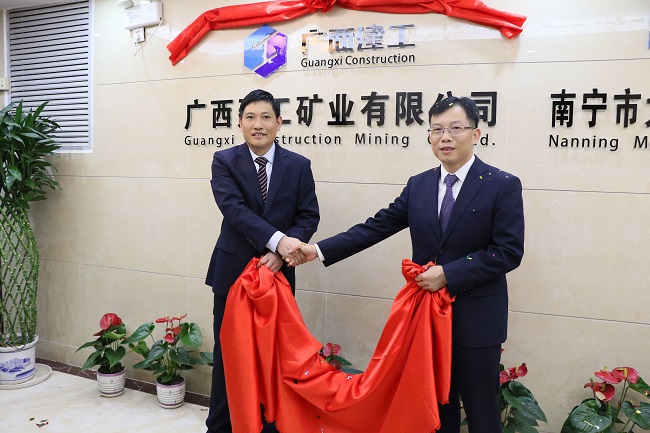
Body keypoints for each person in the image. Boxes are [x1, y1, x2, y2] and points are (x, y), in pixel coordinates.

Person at [288, 96, 524, 433]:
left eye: (456, 128)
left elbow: (507, 251)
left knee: (482, 412)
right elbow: (376, 226)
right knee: (435, 411)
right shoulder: (419, 185)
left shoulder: (502, 184)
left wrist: (449, 274)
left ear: (476, 134)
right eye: (437, 129)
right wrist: (318, 250)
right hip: (426, 321)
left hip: (476, 320)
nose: (446, 137)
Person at [205, 89, 320, 433]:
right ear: (239, 123)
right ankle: (221, 425)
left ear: (279, 123)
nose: (258, 124)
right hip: (232, 272)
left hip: (279, 275)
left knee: (274, 354)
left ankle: (269, 423)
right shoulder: (224, 161)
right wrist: (279, 241)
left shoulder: (298, 166)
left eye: (266, 117)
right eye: (251, 117)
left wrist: (280, 253)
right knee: (229, 353)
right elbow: (234, 210)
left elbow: (308, 216)